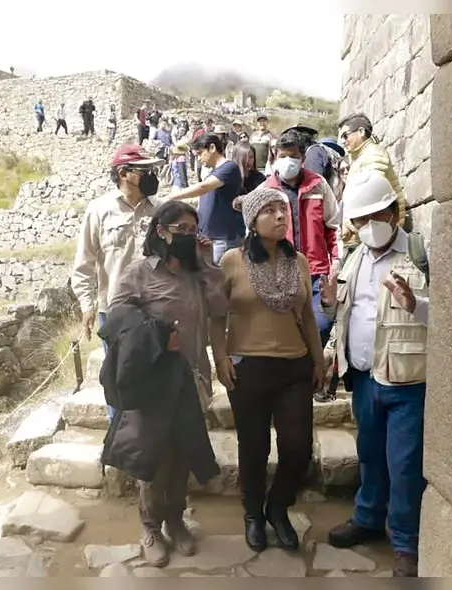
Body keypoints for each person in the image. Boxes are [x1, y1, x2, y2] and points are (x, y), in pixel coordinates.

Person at [102, 200, 226, 567]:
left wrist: (206, 264)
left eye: (193, 229)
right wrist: (156, 337)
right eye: (181, 230)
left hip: (193, 378)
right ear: (162, 231)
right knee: (153, 458)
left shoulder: (196, 272)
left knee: (184, 452)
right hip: (154, 381)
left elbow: (219, 308)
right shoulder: (138, 272)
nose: (188, 236)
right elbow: (117, 320)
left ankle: (176, 520)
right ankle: (150, 527)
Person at [320, 171, 430, 578]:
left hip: (407, 381)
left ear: (394, 211)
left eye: (375, 216)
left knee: (404, 464)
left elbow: (447, 316)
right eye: (360, 221)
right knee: (369, 455)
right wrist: (330, 305)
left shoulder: (419, 253)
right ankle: (367, 519)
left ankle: (405, 542)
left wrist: (414, 303)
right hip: (364, 379)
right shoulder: (353, 258)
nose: (368, 226)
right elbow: (344, 314)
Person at [210, 186, 326, 553]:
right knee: (254, 448)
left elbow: (307, 316)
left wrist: (318, 360)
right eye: (270, 211)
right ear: (252, 222)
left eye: (283, 210)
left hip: (294, 365)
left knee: (298, 447)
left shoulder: (300, 262)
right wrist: (220, 358)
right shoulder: (232, 260)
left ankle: (277, 507)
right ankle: (252, 515)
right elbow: (216, 317)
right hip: (249, 368)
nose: (280, 216)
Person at [71, 145, 164, 420]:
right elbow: (84, 263)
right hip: (115, 311)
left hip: (157, 308)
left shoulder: (160, 210)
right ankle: (121, 441)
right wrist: (87, 306)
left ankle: (154, 440)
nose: (151, 175)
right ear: (124, 174)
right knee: (119, 380)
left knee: (158, 376)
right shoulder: (99, 210)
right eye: (144, 170)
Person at [255, 130, 340, 399]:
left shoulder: (318, 185)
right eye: (283, 156)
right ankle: (299, 381)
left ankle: (309, 370)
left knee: (323, 323)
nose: (288, 161)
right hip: (281, 271)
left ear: (303, 158)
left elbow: (333, 226)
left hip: (316, 271)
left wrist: (335, 260)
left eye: (293, 156)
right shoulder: (266, 190)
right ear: (275, 157)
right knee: (287, 328)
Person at [167, 134, 244, 265]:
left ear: (212, 148)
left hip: (222, 238)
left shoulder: (229, 168)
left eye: (200, 153)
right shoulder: (214, 172)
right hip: (208, 237)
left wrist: (171, 197)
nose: (199, 159)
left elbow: (203, 187)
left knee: (219, 277)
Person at [337, 113, 407, 251]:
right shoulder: (361, 157)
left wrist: (349, 225)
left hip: (381, 233)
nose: (344, 141)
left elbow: (369, 199)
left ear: (361, 132)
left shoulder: (373, 155)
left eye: (346, 135)